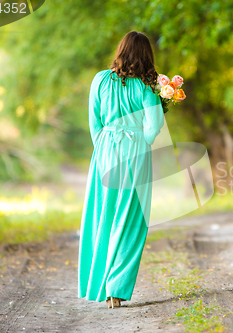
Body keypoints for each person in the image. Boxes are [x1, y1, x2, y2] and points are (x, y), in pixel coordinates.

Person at [77, 31, 164, 309]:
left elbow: (94, 121)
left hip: (105, 150)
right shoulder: (147, 87)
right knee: (131, 221)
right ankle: (116, 288)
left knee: (103, 216)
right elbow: (153, 129)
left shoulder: (100, 80)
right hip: (135, 152)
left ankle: (99, 285)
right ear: (146, 55)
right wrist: (139, 137)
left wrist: (104, 146)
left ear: (121, 50)